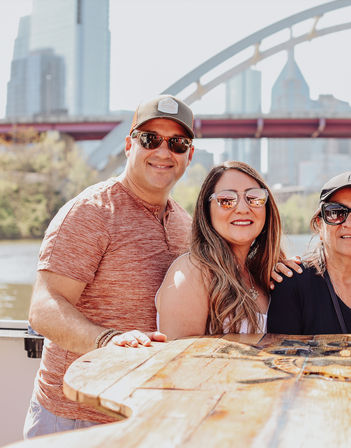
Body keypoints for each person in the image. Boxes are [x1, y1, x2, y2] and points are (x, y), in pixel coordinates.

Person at [24, 95, 196, 437]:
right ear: (129, 145)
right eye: (150, 139)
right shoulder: (92, 212)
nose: (164, 152)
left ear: (189, 155)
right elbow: (43, 309)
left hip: (141, 415)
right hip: (73, 417)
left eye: (177, 143)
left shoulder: (185, 224)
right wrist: (108, 340)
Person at [156, 161, 285, 337]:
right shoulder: (192, 271)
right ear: (207, 210)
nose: (242, 208)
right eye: (226, 200)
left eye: (254, 198)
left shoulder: (264, 275)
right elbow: (181, 359)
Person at [267, 171, 351, 334]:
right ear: (319, 226)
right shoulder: (292, 283)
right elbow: (282, 357)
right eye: (336, 212)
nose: (350, 223)